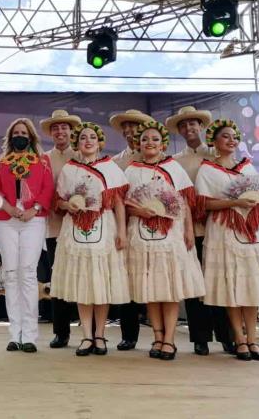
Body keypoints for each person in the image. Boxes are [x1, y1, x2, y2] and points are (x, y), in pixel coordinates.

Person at [195, 119, 259, 362]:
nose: (231, 140)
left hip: (254, 232)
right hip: (224, 231)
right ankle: (239, 339)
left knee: (252, 286)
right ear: (214, 141)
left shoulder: (248, 168)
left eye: (234, 136)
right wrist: (234, 202)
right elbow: (205, 203)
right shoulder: (207, 169)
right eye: (225, 136)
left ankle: (253, 339)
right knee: (232, 285)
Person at [123, 121, 206, 361]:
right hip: (141, 234)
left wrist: (189, 230)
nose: (150, 143)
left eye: (155, 139)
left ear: (163, 144)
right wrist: (140, 212)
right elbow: (126, 205)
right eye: (145, 139)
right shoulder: (131, 170)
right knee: (150, 287)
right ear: (139, 143)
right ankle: (157, 336)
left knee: (169, 287)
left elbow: (185, 202)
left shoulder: (174, 168)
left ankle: (169, 339)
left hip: (171, 234)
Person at [50, 122, 129, 357]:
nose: (88, 140)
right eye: (83, 137)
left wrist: (122, 232)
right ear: (77, 142)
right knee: (83, 281)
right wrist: (68, 205)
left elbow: (118, 203)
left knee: (101, 281)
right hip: (75, 228)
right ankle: (86, 334)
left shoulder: (110, 167)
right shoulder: (69, 169)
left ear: (99, 141)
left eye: (92, 137)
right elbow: (59, 201)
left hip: (104, 227)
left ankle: (100, 334)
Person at [165, 105, 233, 356]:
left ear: (201, 127)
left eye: (193, 123)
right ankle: (200, 337)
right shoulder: (175, 161)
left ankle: (228, 336)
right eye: (183, 125)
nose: (189, 128)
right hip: (189, 226)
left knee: (221, 279)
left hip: (219, 225)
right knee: (194, 281)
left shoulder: (219, 154)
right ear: (179, 131)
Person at [0, 118, 53, 353]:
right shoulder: (2, 162)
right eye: (16, 132)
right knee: (11, 274)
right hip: (7, 221)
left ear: (31, 136)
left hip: (32, 221)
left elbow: (47, 190)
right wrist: (9, 208)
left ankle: (30, 336)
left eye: (24, 132)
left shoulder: (42, 162)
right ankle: (15, 334)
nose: (20, 136)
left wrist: (32, 210)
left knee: (27, 273)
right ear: (10, 136)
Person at [109, 108, 154, 351]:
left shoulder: (159, 159)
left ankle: (163, 335)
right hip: (126, 227)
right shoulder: (116, 162)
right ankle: (129, 334)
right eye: (126, 127)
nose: (130, 131)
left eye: (135, 127)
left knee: (158, 279)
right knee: (127, 280)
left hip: (158, 229)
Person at [39, 109, 81, 349]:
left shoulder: (83, 155)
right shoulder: (44, 158)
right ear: (51, 133)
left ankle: (91, 331)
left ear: (70, 131)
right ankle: (61, 332)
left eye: (64, 127)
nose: (60, 131)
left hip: (85, 229)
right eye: (55, 128)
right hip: (56, 228)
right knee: (59, 279)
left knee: (85, 276)